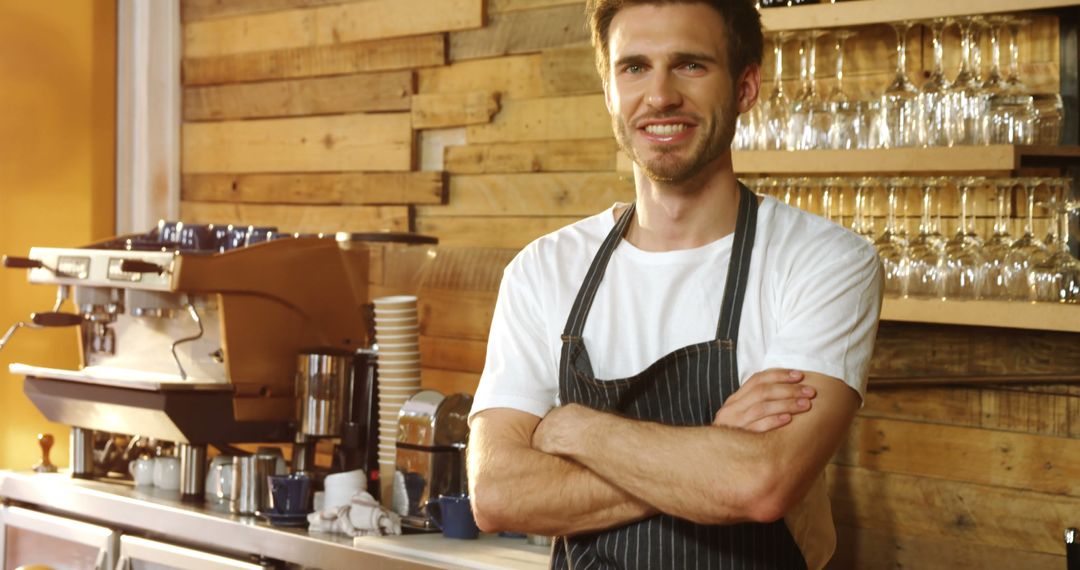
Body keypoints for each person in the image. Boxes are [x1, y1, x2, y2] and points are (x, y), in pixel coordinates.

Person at [466, 0, 883, 568]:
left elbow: (760, 483)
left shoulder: (824, 261)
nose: (659, 96)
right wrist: (711, 445)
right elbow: (496, 494)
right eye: (633, 67)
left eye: (690, 65)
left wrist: (573, 428)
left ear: (745, 86)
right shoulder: (543, 271)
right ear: (609, 89)